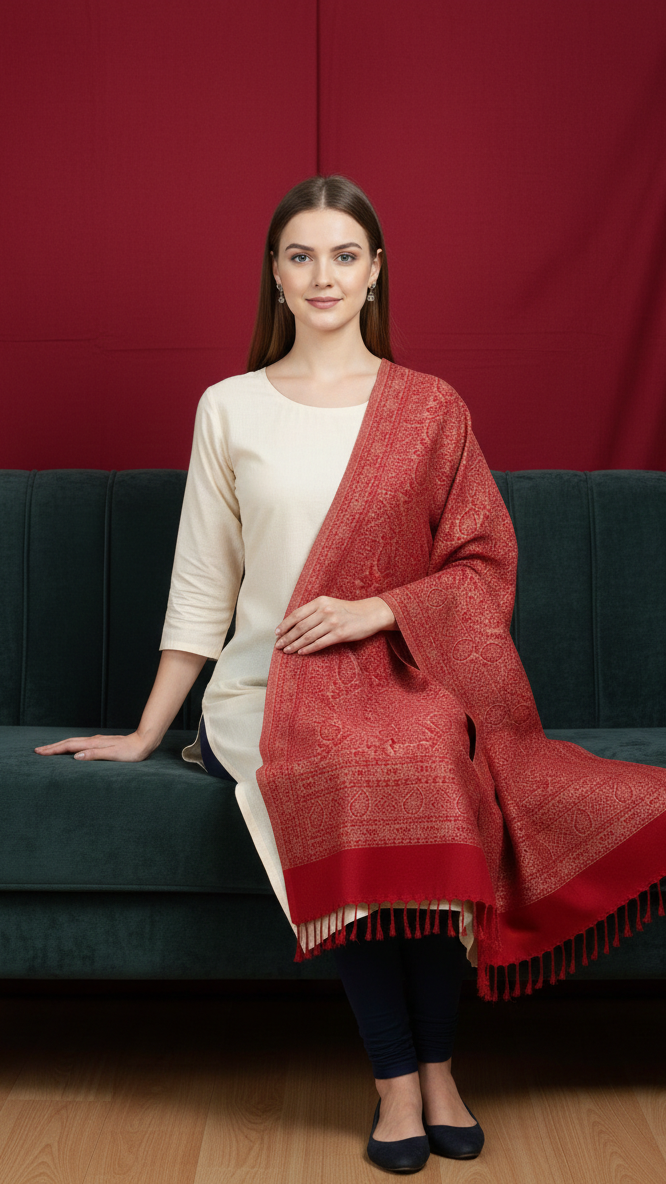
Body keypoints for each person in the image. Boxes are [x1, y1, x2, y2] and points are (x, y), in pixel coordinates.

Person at [36, 174, 666, 1175]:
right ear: (274, 279)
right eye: (300, 255)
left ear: (374, 273)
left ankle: (440, 1066)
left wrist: (382, 608)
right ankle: (397, 1080)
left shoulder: (428, 409)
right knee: (352, 763)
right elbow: (203, 586)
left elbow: (482, 559)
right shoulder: (229, 408)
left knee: (419, 754)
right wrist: (149, 730)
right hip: (268, 692)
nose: (322, 274)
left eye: (342, 254)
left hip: (404, 677)